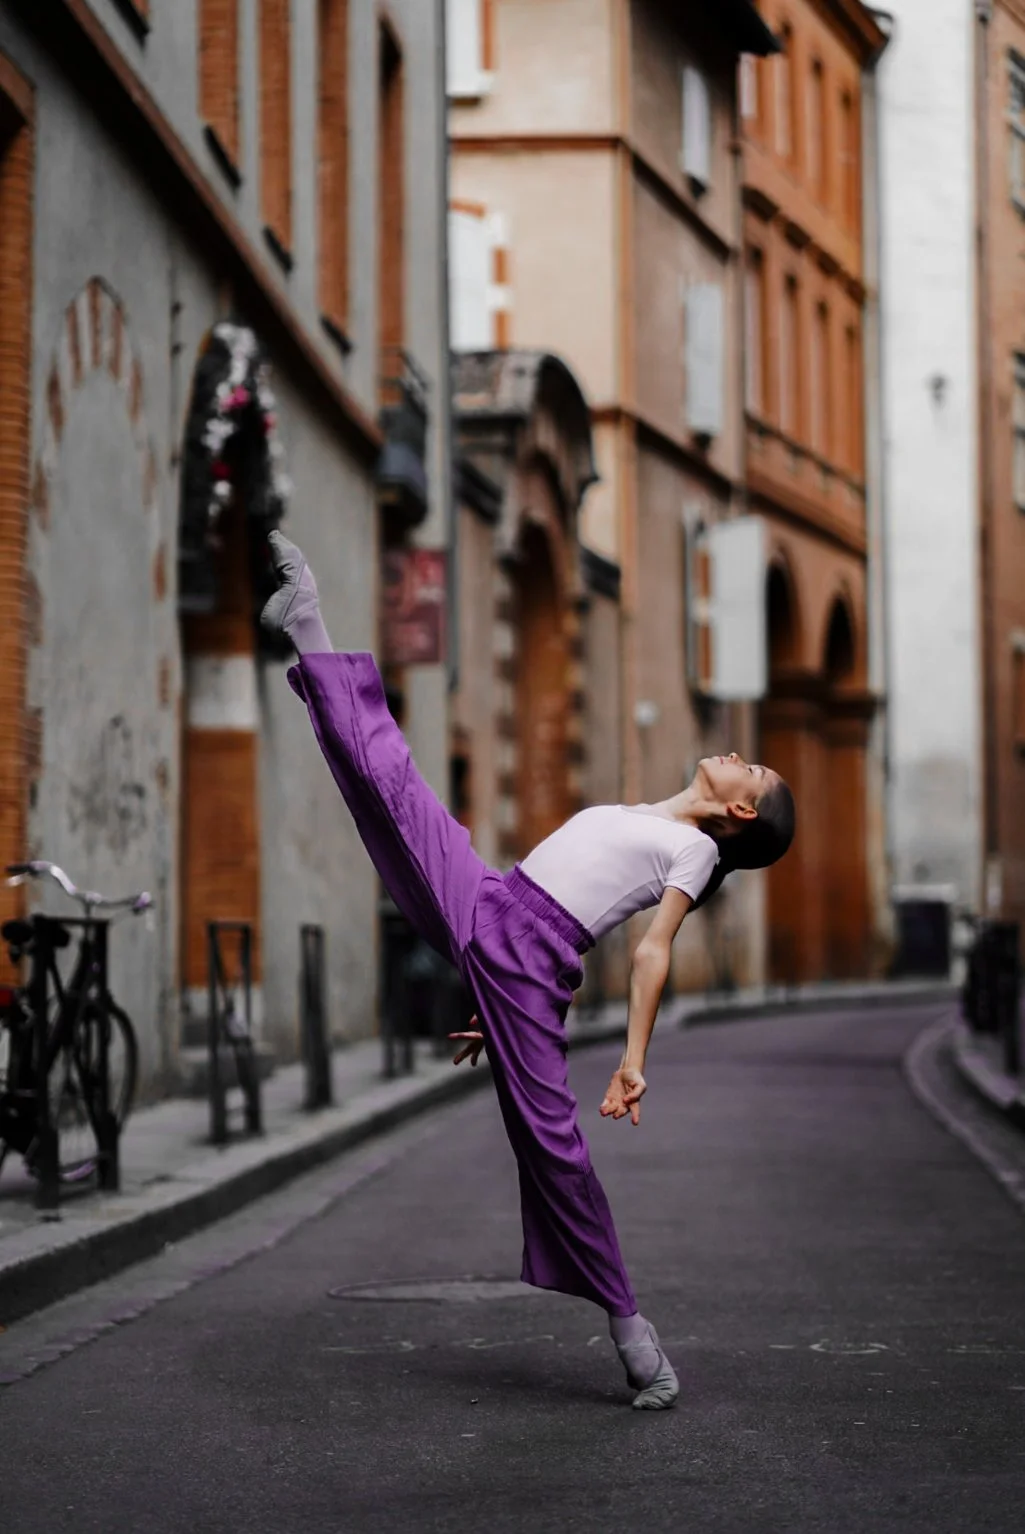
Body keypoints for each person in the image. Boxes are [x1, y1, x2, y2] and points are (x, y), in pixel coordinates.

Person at [261, 530, 795, 1411]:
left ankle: (635, 1339)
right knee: (390, 789)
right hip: (496, 906)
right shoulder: (647, 812)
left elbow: (654, 947)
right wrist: (491, 999)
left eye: (754, 770)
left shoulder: (691, 856)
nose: (739, 753)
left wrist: (632, 1058)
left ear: (738, 809)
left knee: (554, 1152)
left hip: (526, 953)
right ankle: (307, 615)